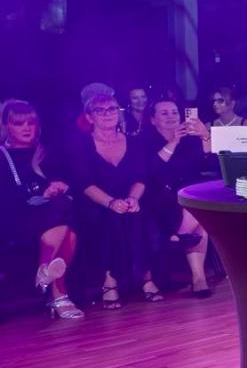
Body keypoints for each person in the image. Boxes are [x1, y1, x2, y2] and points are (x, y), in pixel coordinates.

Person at [68, 91, 161, 308]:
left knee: (136, 214)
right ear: (89, 117)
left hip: (128, 197)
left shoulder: (134, 143)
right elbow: (84, 184)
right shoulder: (81, 146)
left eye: (111, 109)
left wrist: (133, 198)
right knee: (111, 218)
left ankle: (145, 277)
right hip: (95, 202)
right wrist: (110, 202)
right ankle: (110, 281)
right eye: (100, 110)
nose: (107, 114)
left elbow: (141, 177)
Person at [0, 99, 80, 319]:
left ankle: (46, 273)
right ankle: (57, 292)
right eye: (19, 123)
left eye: (31, 123)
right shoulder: (3, 156)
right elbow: (6, 198)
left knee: (66, 214)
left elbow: (71, 180)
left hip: (54, 214)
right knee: (65, 217)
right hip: (17, 217)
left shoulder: (46, 152)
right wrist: (42, 194)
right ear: (7, 126)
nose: (26, 128)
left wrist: (60, 186)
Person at [143, 99, 214, 297]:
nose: (171, 116)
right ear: (153, 119)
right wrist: (173, 142)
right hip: (161, 196)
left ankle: (196, 272)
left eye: (174, 112)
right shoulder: (144, 141)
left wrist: (205, 136)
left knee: (199, 205)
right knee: (200, 212)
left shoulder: (190, 138)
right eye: (164, 113)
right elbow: (152, 170)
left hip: (190, 192)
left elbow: (208, 163)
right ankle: (197, 276)